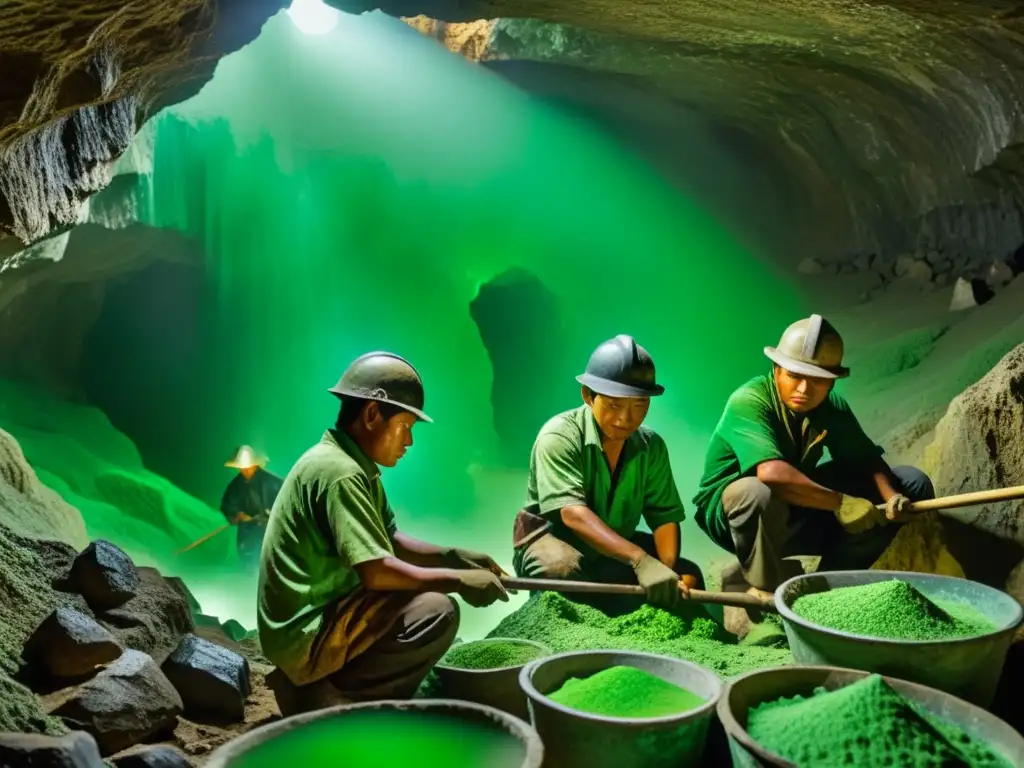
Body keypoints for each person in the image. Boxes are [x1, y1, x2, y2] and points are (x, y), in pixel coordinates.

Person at [258, 351, 508, 713]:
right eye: (405, 427)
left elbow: (389, 538)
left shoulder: (351, 464)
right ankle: (334, 701)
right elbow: (376, 572)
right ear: (373, 414)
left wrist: (453, 555)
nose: (408, 441)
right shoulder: (339, 473)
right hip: (306, 633)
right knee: (436, 611)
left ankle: (328, 685)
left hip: (320, 616)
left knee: (425, 600)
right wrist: (458, 580)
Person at [693, 314, 935, 631]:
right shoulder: (749, 401)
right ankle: (761, 594)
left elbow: (866, 460)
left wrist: (892, 498)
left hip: (794, 506)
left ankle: (827, 589)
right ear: (776, 369)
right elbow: (772, 474)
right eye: (794, 375)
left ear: (833, 379)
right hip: (736, 517)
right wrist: (841, 503)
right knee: (756, 491)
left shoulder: (831, 407)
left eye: (819, 379)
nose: (805, 388)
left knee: (912, 482)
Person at [512, 334, 705, 617]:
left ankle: (621, 602)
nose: (625, 419)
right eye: (614, 405)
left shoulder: (651, 447)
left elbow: (664, 517)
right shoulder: (559, 435)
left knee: (689, 574)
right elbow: (572, 514)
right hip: (553, 542)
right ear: (588, 396)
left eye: (638, 406)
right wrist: (640, 561)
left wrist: (665, 571)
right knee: (561, 570)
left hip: (613, 546)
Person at [219, 445, 283, 570]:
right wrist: (237, 515)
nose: (246, 471)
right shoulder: (235, 485)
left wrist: (270, 517)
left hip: (272, 528)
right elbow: (227, 505)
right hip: (248, 530)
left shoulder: (273, 482)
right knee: (248, 559)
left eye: (249, 468)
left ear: (255, 465)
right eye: (242, 468)